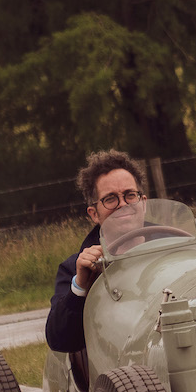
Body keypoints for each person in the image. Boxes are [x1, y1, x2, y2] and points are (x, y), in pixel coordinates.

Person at [45, 149, 147, 353]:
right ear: (94, 213)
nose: (123, 205)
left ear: (143, 202)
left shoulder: (178, 244)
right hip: (118, 367)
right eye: (110, 199)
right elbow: (59, 340)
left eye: (130, 195)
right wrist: (82, 285)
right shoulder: (73, 268)